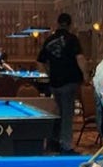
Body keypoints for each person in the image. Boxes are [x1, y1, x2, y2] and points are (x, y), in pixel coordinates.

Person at [37, 12, 88, 154]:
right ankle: (66, 146)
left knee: (58, 113)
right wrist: (86, 75)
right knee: (67, 115)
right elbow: (80, 59)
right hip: (70, 82)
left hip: (54, 84)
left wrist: (49, 75)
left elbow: (40, 62)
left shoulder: (49, 40)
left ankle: (54, 143)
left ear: (57, 24)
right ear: (70, 24)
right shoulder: (72, 39)